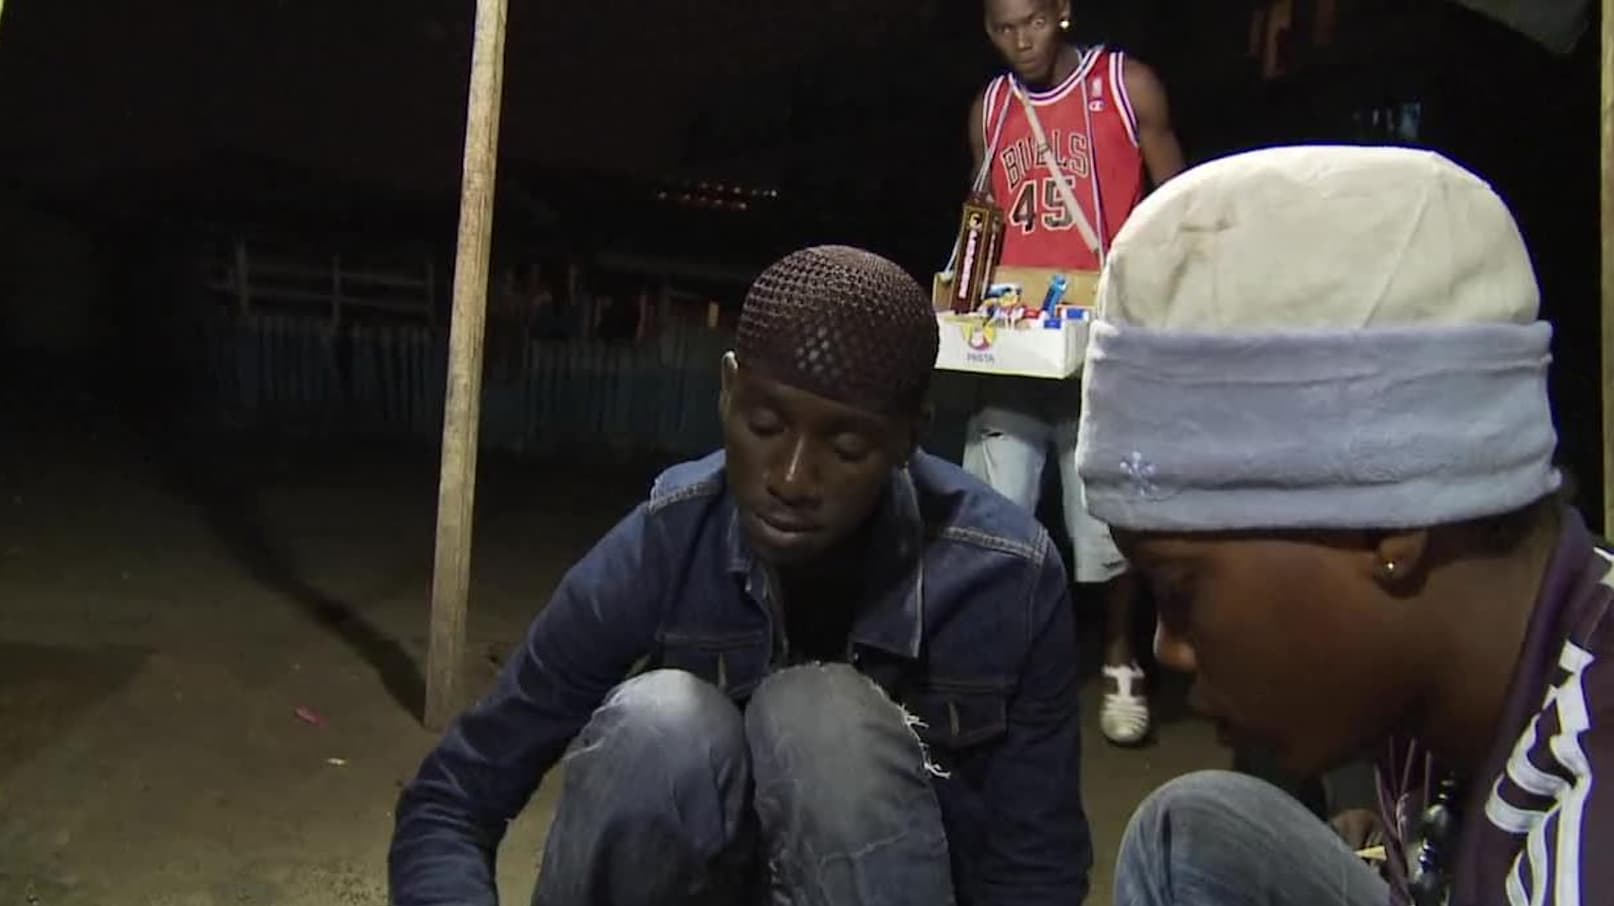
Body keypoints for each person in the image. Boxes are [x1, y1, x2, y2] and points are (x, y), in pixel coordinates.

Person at [389, 245, 1093, 905]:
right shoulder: (667, 540)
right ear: (728, 392)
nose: (791, 479)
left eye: (847, 447)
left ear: (910, 436)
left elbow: (1037, 873)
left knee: (823, 720)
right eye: (764, 426)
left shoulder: (1006, 579)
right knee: (661, 724)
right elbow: (452, 800)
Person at [1074, 146, 1614, 905]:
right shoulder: (1473, 674)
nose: (1170, 648)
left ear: (1389, 525)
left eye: (1179, 589)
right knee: (1193, 831)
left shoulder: (1586, 849)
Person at [963, 0, 1186, 746]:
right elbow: (984, 217)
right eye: (1003, 29)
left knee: (1106, 516)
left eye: (1032, 21)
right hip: (1017, 340)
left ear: (1061, 10)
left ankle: (1122, 657)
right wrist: (966, 301)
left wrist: (1160, 305)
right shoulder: (992, 106)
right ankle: (998, 663)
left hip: (1104, 336)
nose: (1019, 41)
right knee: (994, 510)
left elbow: (1178, 205)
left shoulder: (1126, 84)